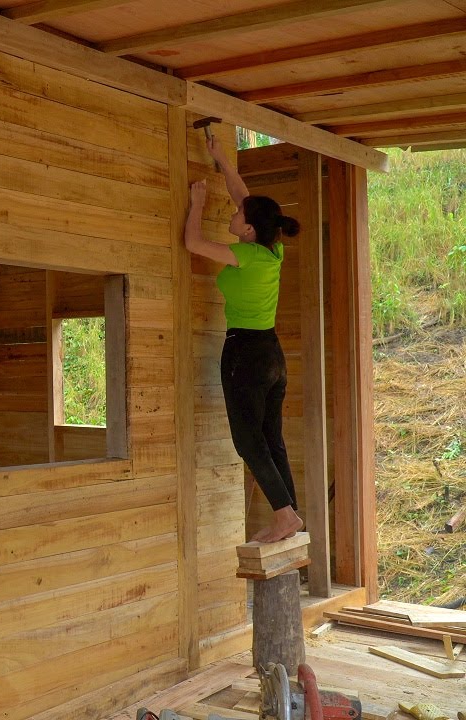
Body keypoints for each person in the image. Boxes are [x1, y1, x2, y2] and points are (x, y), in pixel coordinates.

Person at [185, 136, 304, 544]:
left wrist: (197, 205)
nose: (234, 212)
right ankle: (290, 514)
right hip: (271, 353)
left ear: (249, 229)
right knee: (271, 437)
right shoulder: (270, 250)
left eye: (238, 215)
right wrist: (222, 160)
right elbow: (245, 196)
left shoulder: (248, 255)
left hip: (246, 354)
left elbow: (193, 244)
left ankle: (284, 517)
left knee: (247, 439)